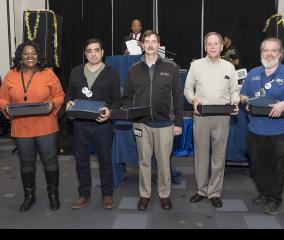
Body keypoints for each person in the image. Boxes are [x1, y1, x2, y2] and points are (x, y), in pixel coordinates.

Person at [0, 41, 64, 212]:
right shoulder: (10, 75)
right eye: (26, 53)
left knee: (50, 161)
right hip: (21, 127)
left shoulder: (49, 74)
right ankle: (29, 195)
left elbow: (60, 95)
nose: (30, 56)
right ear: (20, 57)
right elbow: (3, 98)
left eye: (34, 53)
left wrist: (52, 103)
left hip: (46, 125)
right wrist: (5, 106)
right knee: (26, 163)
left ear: (38, 56)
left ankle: (53, 194)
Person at [240, 37, 284, 215]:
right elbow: (243, 95)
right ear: (261, 53)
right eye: (265, 50)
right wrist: (247, 102)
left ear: (280, 54)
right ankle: (265, 192)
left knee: (277, 166)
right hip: (255, 129)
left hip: (280, 130)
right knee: (257, 166)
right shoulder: (253, 73)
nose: (269, 53)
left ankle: (275, 198)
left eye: (273, 50)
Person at [123, 30, 183, 211]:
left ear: (159, 45)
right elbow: (127, 97)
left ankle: (164, 195)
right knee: (144, 161)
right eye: (146, 41)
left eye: (154, 41)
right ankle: (145, 195)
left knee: (164, 162)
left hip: (165, 123)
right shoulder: (133, 69)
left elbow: (178, 96)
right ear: (142, 45)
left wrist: (178, 122)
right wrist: (133, 114)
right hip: (141, 124)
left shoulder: (171, 67)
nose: (150, 44)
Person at [184, 32, 240, 208]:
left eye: (216, 43)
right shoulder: (196, 65)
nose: (213, 46)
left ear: (222, 46)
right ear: (205, 47)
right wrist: (194, 99)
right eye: (209, 44)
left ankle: (214, 192)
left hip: (223, 117)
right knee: (201, 155)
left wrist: (235, 101)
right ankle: (201, 190)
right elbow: (187, 89)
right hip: (201, 116)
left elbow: (234, 90)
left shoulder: (229, 67)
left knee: (219, 155)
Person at [66, 38, 122, 209]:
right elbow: (69, 95)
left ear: (102, 52)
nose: (93, 54)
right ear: (85, 54)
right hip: (81, 125)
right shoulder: (76, 72)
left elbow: (117, 100)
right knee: (81, 161)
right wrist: (68, 103)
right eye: (89, 51)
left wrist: (109, 113)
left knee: (105, 161)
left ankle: (107, 195)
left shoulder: (111, 73)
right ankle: (84, 194)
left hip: (102, 125)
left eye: (96, 50)